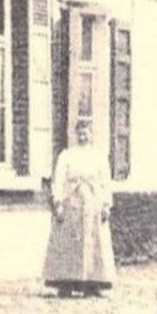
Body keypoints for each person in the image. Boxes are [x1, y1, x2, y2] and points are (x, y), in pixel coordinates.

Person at [43, 120, 117, 298]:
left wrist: (106, 204)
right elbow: (59, 179)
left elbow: (105, 182)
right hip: (72, 204)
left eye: (86, 133)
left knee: (93, 243)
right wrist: (58, 202)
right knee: (69, 243)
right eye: (80, 133)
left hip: (92, 205)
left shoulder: (98, 157)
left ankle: (94, 282)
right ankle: (66, 282)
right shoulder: (67, 156)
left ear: (91, 135)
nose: (83, 136)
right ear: (75, 135)